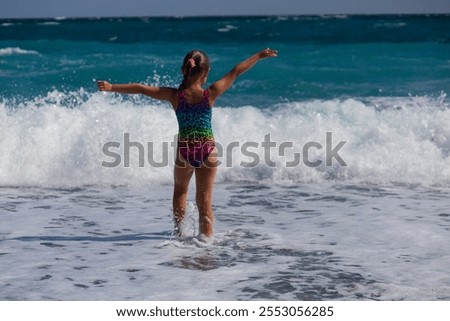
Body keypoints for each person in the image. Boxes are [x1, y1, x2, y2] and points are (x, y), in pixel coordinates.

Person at [97, 48, 277, 240]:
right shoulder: (211, 93)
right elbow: (235, 71)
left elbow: (141, 89)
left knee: (180, 192)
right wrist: (258, 56)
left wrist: (111, 87)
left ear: (185, 70)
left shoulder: (175, 96)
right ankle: (206, 240)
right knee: (205, 199)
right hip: (207, 152)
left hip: (185, 152)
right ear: (205, 73)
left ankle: (179, 233)